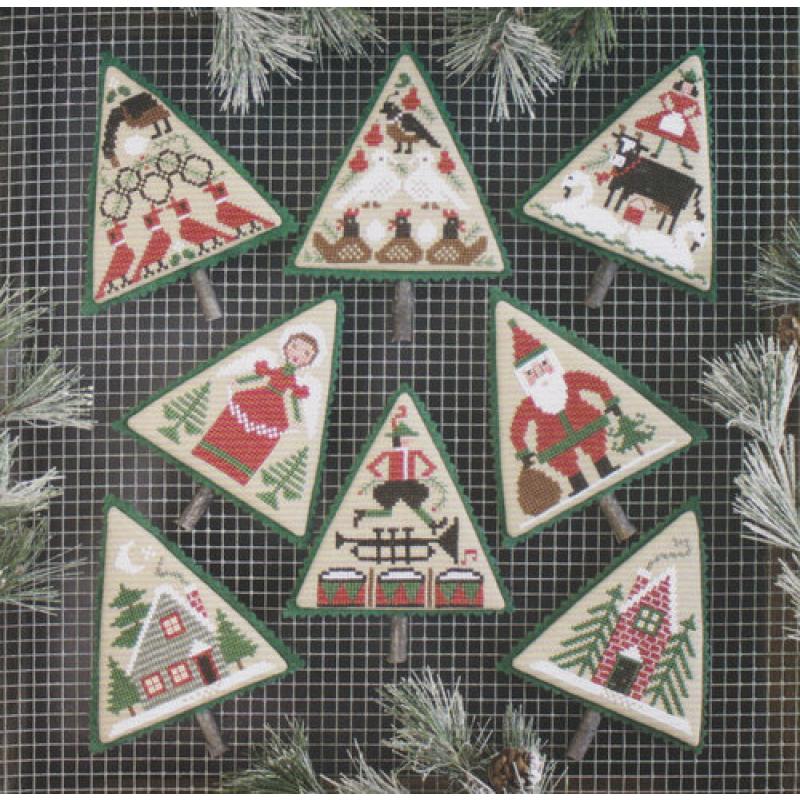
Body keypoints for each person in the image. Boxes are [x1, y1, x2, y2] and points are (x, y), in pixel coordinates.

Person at [508, 319, 621, 498]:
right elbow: (517, 428)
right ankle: (578, 483)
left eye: (543, 366)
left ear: (550, 362)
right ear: (524, 378)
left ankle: (605, 468)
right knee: (562, 459)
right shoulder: (530, 404)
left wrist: (610, 401)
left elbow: (595, 383)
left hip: (585, 422)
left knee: (595, 441)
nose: (540, 375)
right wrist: (523, 451)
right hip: (553, 439)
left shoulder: (569, 380)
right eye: (531, 373)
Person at [192, 331, 319, 485]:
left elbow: (294, 400)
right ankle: (211, 452)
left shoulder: (292, 381)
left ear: (309, 361)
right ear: (286, 347)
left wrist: (297, 419)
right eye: (294, 346)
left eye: (306, 353)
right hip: (255, 398)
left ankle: (239, 469)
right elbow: (259, 376)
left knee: (258, 439)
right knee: (234, 423)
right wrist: (239, 381)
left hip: (274, 411)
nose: (297, 354)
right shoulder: (276, 371)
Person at [354, 406, 445, 530]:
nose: (408, 441)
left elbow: (430, 465)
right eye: (405, 438)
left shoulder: (414, 453)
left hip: (408, 483)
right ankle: (363, 513)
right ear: (398, 440)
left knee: (416, 507)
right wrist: (378, 474)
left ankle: (432, 525)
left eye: (408, 438)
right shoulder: (390, 454)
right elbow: (372, 466)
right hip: (394, 484)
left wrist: (426, 472)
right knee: (389, 511)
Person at [634, 69, 703, 170]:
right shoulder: (674, 94)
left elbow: (697, 111)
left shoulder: (691, 101)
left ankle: (684, 161)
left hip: (679, 120)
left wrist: (687, 116)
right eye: (685, 86)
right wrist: (667, 108)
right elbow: (663, 97)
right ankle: (657, 153)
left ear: (692, 90)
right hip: (671, 116)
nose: (686, 89)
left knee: (678, 140)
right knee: (664, 135)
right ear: (680, 85)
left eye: (689, 88)